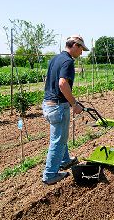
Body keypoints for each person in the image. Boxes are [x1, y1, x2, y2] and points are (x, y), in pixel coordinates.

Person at [41, 35, 88, 185]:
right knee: (58, 140)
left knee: (60, 136)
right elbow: (62, 84)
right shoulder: (68, 61)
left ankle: (65, 160)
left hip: (48, 104)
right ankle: (50, 175)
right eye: (81, 49)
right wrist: (74, 104)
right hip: (58, 106)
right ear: (75, 45)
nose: (81, 53)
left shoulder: (55, 59)